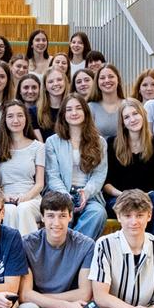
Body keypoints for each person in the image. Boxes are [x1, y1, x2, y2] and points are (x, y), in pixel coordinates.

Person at [46, 94, 108, 239]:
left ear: (85, 112)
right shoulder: (52, 142)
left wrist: (85, 193)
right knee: (62, 215)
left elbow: (99, 175)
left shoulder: (99, 142)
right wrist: (65, 196)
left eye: (78, 108)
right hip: (60, 193)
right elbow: (52, 176)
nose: (74, 113)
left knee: (98, 213)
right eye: (69, 109)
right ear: (63, 115)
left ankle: (75, 249)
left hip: (89, 195)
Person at [104, 98, 154, 237]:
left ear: (142, 115)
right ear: (123, 123)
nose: (132, 119)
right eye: (127, 117)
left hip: (148, 197)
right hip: (119, 197)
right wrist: (124, 195)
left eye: (135, 114)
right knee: (126, 206)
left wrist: (143, 196)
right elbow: (106, 183)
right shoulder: (111, 144)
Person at [0, 100, 46, 235]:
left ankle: (29, 252)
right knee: (10, 210)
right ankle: (12, 253)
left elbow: (40, 183)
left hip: (31, 198)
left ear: (26, 118)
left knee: (23, 208)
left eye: (20, 115)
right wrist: (4, 196)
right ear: (4, 120)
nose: (15, 120)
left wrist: (26, 197)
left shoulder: (38, 147)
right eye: (10, 116)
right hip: (5, 197)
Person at [88, 63, 127, 141]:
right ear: (97, 82)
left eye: (111, 76)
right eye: (102, 78)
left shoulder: (128, 105)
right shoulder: (90, 107)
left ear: (118, 79)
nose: (107, 80)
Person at [36, 67, 68, 133]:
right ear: (45, 86)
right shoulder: (34, 112)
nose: (56, 84)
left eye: (59, 80)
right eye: (50, 81)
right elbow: (39, 143)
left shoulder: (74, 109)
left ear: (65, 82)